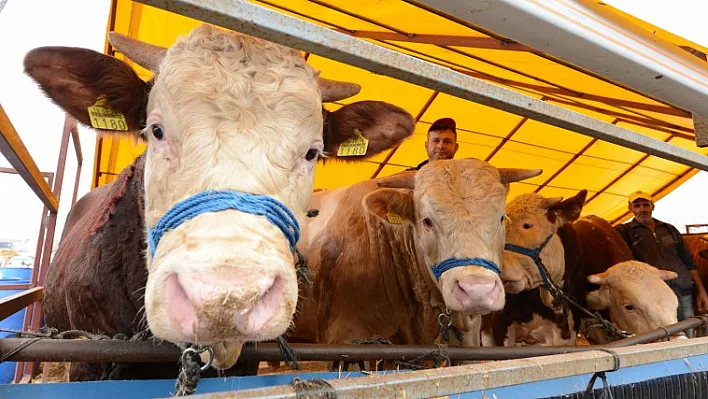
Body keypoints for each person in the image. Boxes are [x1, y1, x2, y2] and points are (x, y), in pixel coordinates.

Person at [615, 191, 708, 337]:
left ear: (652, 206)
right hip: (654, 296)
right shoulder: (623, 231)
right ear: (630, 208)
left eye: (646, 205)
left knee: (688, 333)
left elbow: (688, 261)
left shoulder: (669, 229)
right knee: (663, 335)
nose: (642, 209)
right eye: (637, 205)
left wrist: (701, 291)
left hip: (683, 289)